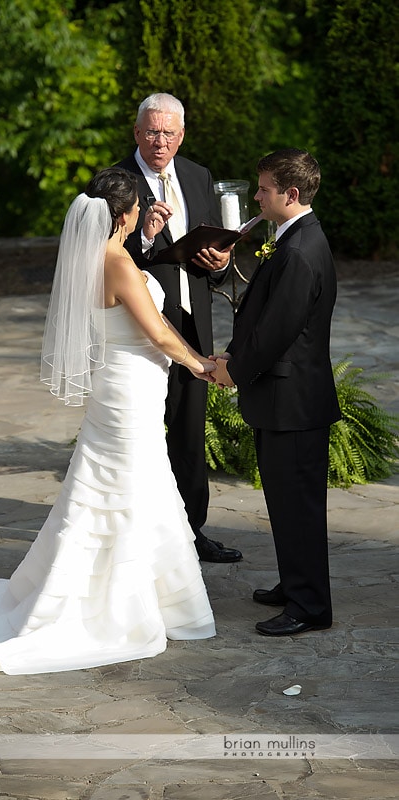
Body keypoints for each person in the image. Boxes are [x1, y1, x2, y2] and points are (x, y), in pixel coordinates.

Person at [0, 167, 217, 683]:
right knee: (132, 485)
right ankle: (134, 603)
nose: (143, 211)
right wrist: (203, 364)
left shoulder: (92, 256)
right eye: (138, 206)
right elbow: (160, 335)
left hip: (114, 387)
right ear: (123, 215)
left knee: (116, 486)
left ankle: (139, 594)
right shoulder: (117, 262)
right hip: (130, 389)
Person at [212, 148, 341, 636]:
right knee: (285, 502)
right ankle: (294, 584)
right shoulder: (289, 239)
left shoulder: (301, 250)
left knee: (299, 507)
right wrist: (232, 354)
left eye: (264, 187)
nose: (256, 195)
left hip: (294, 401)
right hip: (283, 397)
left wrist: (234, 370)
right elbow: (262, 318)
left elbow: (278, 331)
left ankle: (309, 607)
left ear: (291, 194)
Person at [116, 92, 243, 564]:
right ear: (136, 132)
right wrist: (145, 236)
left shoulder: (197, 176)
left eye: (169, 132)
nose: (160, 141)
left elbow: (211, 250)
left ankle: (191, 532)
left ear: (182, 134)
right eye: (152, 131)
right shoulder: (115, 183)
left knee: (189, 432)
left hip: (195, 323)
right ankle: (141, 534)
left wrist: (221, 260)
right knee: (147, 430)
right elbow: (102, 260)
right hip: (141, 329)